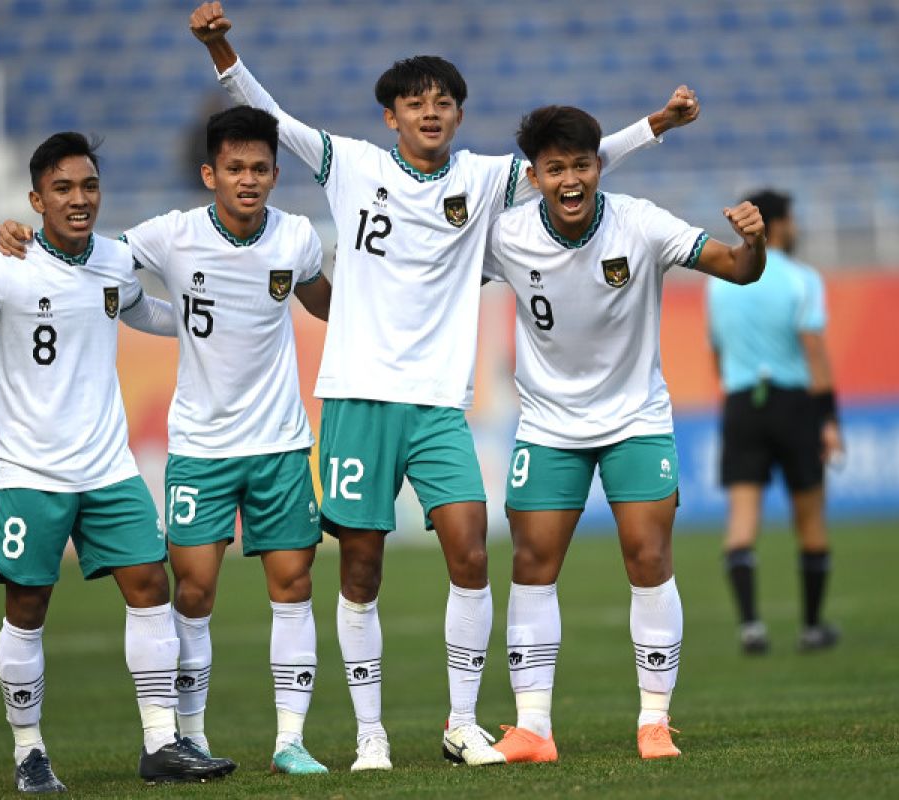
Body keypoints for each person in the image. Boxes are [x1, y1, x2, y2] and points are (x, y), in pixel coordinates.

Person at [188, 1, 702, 771]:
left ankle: (462, 722)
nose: (431, 112)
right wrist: (222, 48)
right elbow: (270, 114)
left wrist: (653, 126)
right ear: (390, 116)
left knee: (470, 551)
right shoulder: (349, 163)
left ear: (459, 115)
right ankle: (370, 736)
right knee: (361, 565)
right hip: (359, 396)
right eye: (415, 103)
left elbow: (573, 163)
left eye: (444, 102)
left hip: (437, 404)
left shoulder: (486, 180)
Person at [0, 107, 333, 775]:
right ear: (210, 174)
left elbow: (325, 302)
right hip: (200, 448)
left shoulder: (295, 238)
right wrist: (24, 238)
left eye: (260, 168)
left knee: (293, 585)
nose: (247, 179)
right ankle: (192, 736)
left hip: (281, 444)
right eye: (234, 168)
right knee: (193, 592)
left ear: (274, 173)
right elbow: (87, 250)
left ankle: (290, 740)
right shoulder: (169, 237)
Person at [0, 132, 236, 791]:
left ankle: (160, 744)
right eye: (62, 188)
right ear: (37, 199)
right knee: (27, 607)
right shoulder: (4, 263)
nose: (79, 198)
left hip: (108, 468)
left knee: (150, 587)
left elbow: (142, 312)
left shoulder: (116, 261)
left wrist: (212, 318)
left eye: (88, 185)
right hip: (31, 474)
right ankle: (29, 751)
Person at [481, 105, 765, 763]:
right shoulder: (506, 235)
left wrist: (757, 243)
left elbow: (738, 268)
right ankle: (533, 730)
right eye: (556, 168)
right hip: (549, 425)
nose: (571, 179)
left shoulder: (642, 223)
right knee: (532, 564)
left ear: (599, 166)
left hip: (636, 418)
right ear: (535, 176)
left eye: (582, 164)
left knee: (647, 556)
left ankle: (654, 723)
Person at [705, 189, 843, 655]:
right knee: (810, 518)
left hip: (742, 402)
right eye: (794, 219)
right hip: (795, 404)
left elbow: (717, 353)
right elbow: (814, 352)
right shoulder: (803, 279)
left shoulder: (718, 282)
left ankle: (750, 627)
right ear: (779, 224)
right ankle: (810, 626)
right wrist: (829, 420)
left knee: (742, 521)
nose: (797, 228)